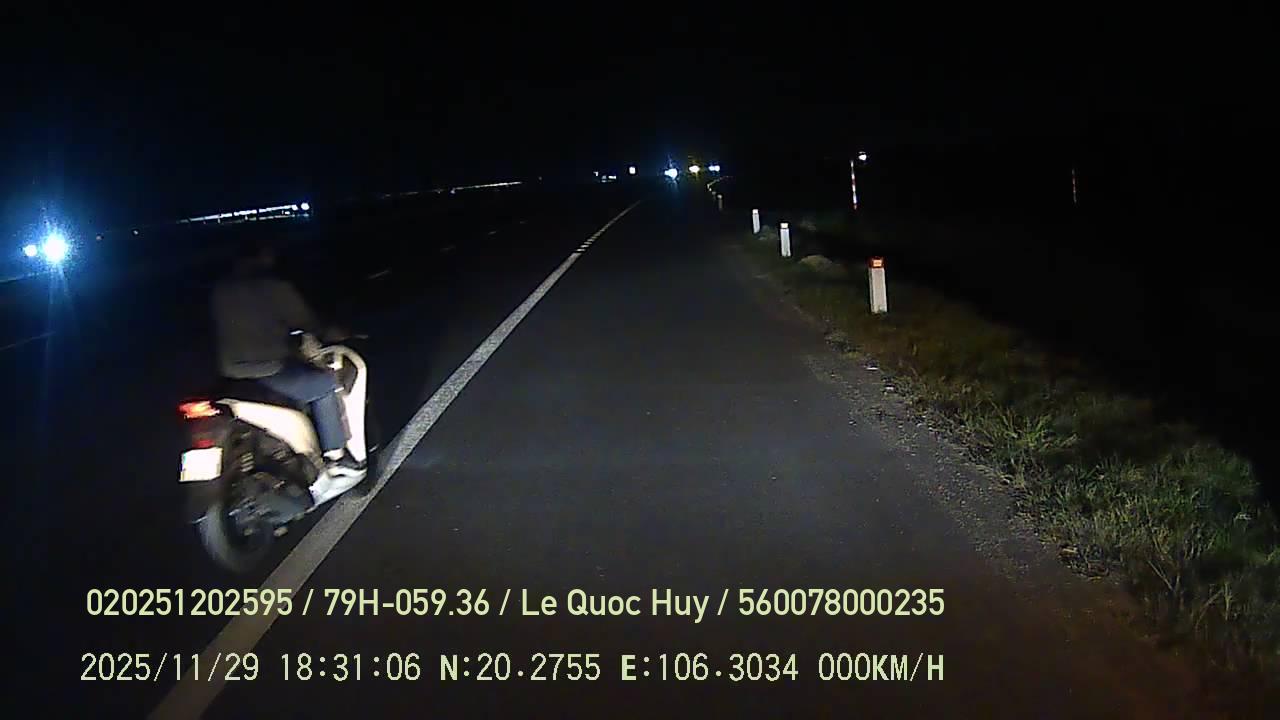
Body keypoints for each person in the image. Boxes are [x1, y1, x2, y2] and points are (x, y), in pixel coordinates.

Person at [211, 240, 362, 478]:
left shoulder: (220, 289)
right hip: (269, 370)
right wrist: (334, 331)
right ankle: (336, 457)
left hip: (229, 372)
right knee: (324, 386)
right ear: (263, 257)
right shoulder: (274, 287)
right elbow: (307, 322)